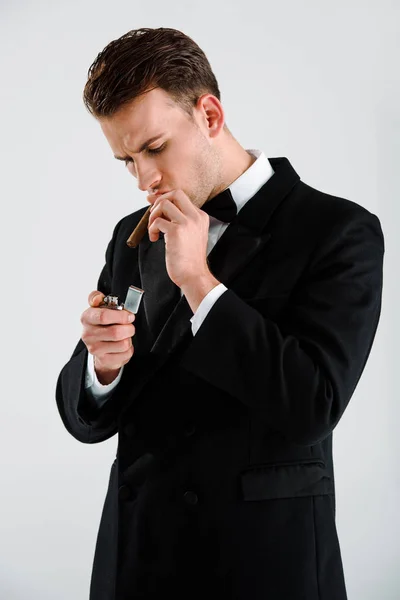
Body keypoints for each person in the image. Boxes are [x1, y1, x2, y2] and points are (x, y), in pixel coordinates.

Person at [55, 27, 385, 600]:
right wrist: (101, 367)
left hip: (261, 565)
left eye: (154, 148)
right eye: (126, 160)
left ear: (209, 115)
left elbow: (314, 405)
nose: (145, 181)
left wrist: (201, 284)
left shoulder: (339, 231)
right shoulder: (129, 239)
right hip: (136, 560)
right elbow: (89, 417)